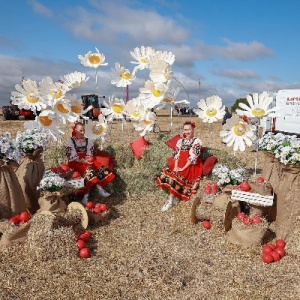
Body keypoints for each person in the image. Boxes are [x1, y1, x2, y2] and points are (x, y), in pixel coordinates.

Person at [156, 121, 203, 211]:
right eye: (185, 130)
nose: (187, 132)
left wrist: (183, 168)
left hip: (191, 165)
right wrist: (176, 167)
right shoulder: (181, 141)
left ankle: (170, 200)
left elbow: (193, 157)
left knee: (177, 176)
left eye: (189, 129)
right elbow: (177, 155)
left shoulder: (196, 141)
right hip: (181, 162)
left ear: (193, 129)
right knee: (171, 173)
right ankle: (174, 198)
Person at [66, 121, 115, 204]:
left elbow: (89, 154)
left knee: (97, 167)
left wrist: (88, 159)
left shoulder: (88, 141)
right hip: (75, 163)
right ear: (76, 130)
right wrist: (83, 161)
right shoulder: (70, 141)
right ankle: (89, 193)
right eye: (81, 130)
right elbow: (71, 156)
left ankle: (93, 192)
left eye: (83, 130)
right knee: (90, 170)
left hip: (86, 161)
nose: (83, 132)